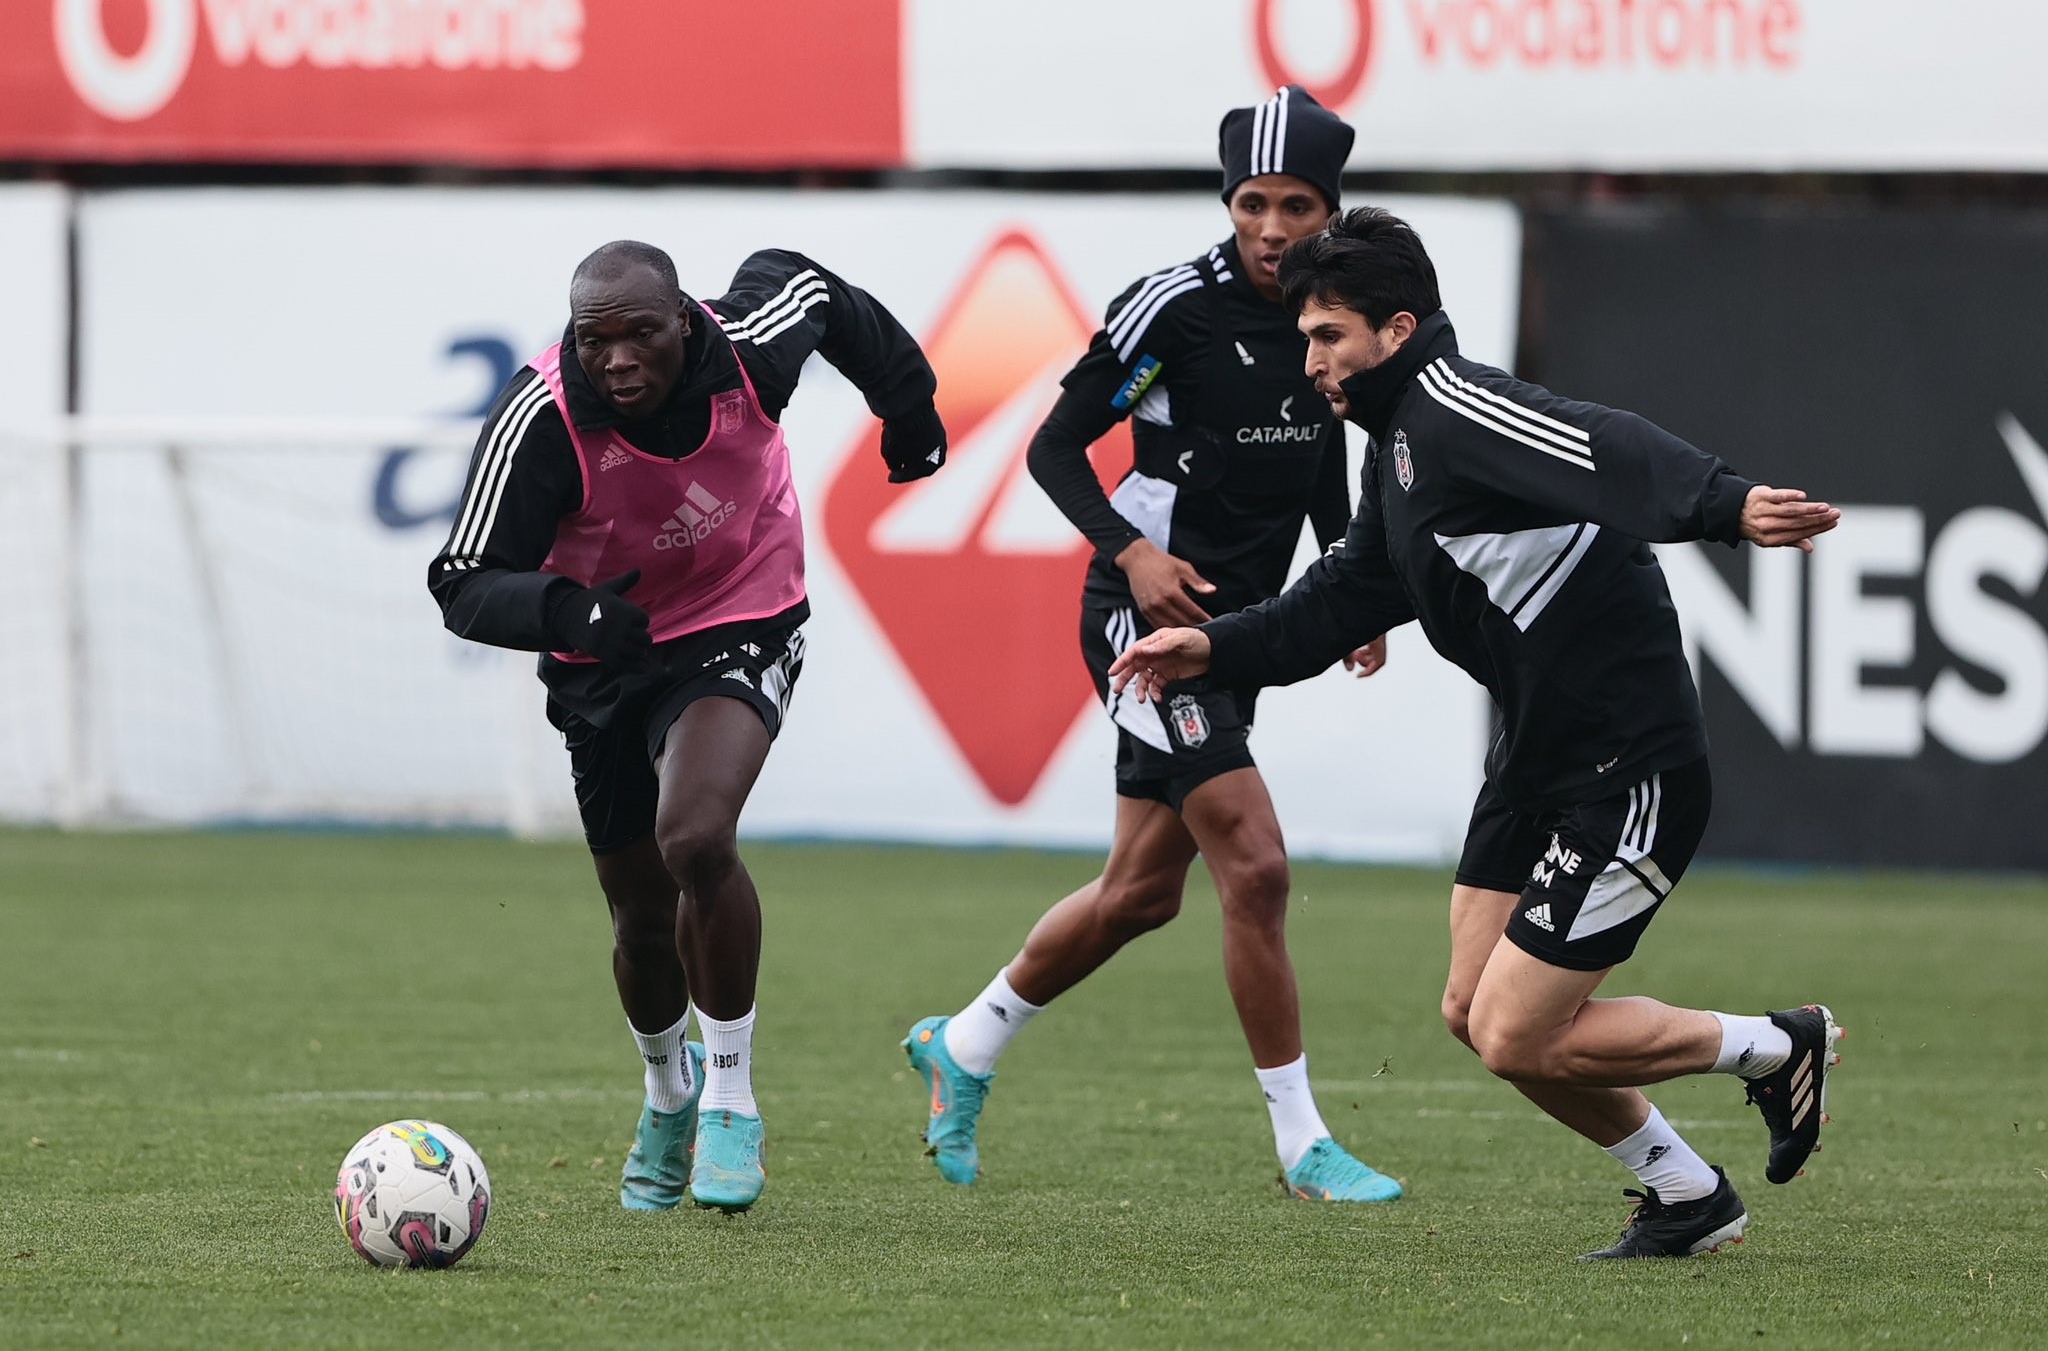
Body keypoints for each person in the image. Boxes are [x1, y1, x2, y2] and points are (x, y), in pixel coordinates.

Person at [1110, 207, 1845, 1259]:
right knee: (1472, 1010)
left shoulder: (1454, 407)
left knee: (1515, 1027)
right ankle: (1685, 1194)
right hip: (1536, 764)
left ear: (1396, 330)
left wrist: (1723, 504)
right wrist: (1215, 649)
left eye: (1326, 336)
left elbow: (1600, 441)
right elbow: (1346, 592)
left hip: (1623, 765)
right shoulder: (1397, 448)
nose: (1308, 359)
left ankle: (1775, 1048)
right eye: (1302, 337)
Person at [904, 86, 1403, 1203]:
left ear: (1331, 207)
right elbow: (1055, 447)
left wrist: (1348, 587)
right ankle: (1299, 1143)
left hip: (1240, 637)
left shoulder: (1332, 312)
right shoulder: (1170, 312)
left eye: (1297, 207)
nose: (1272, 229)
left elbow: (1325, 465)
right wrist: (1130, 557)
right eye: (1251, 204)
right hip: (1145, 627)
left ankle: (964, 1045)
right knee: (1257, 865)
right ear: (1227, 201)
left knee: (1138, 893)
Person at [429, 240, 944, 1213]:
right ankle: (669, 1094)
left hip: (742, 612)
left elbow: (820, 290)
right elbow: (461, 582)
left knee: (695, 839)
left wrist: (906, 407)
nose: (617, 359)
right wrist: (570, 614)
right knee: (635, 915)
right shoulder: (540, 416)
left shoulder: (747, 349)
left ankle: (732, 1105)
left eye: (639, 334)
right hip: (604, 656)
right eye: (594, 340)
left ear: (686, 322)